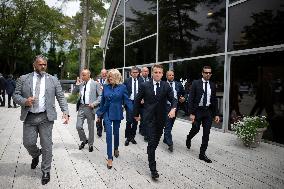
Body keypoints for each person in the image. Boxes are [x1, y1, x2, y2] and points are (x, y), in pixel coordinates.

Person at [13, 55, 69, 185]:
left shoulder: (53, 80)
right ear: (34, 65)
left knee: (47, 145)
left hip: (46, 117)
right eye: (40, 64)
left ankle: (46, 171)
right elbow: (15, 95)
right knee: (28, 142)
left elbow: (61, 96)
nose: (43, 66)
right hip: (29, 116)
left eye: (44, 64)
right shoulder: (24, 78)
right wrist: (25, 101)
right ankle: (36, 155)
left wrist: (65, 112)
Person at [134, 64, 177, 179]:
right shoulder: (144, 85)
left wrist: (173, 108)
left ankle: (150, 149)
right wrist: (136, 114)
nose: (158, 74)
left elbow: (173, 99)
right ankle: (153, 170)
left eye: (160, 73)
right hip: (148, 119)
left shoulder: (165, 85)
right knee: (152, 142)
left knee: (156, 141)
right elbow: (137, 100)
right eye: (156, 72)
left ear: (162, 74)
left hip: (161, 118)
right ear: (152, 73)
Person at [96, 69, 133, 169]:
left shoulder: (122, 87)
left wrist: (135, 113)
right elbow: (102, 101)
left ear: (117, 77)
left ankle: (116, 148)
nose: (109, 78)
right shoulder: (105, 87)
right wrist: (99, 115)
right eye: (109, 76)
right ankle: (109, 158)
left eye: (111, 76)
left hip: (117, 112)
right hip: (107, 112)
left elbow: (127, 101)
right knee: (108, 134)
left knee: (116, 133)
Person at [186, 66, 220, 163]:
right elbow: (191, 99)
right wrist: (191, 113)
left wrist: (216, 114)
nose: (208, 74)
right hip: (197, 111)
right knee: (195, 129)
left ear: (211, 74)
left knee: (206, 133)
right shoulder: (196, 83)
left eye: (209, 73)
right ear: (202, 73)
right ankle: (189, 138)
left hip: (208, 111)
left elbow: (214, 100)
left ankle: (202, 154)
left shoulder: (213, 85)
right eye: (206, 72)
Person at [72, 69, 102, 152]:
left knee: (91, 127)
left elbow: (100, 96)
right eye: (82, 75)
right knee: (78, 126)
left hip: (90, 108)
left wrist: (94, 103)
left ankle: (90, 144)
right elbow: (73, 93)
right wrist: (77, 85)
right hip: (81, 107)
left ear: (89, 75)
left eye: (84, 75)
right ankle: (84, 140)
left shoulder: (95, 84)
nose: (82, 76)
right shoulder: (81, 84)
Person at [163, 70, 185, 152]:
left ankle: (166, 138)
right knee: (168, 124)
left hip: (175, 107)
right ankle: (170, 143)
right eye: (169, 75)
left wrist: (183, 98)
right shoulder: (163, 84)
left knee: (171, 124)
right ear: (166, 76)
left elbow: (184, 93)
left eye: (172, 75)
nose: (171, 76)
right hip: (166, 107)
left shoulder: (178, 84)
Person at [123, 66, 142, 146]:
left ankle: (132, 137)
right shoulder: (127, 81)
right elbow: (124, 92)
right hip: (129, 102)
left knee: (135, 121)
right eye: (133, 72)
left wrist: (143, 98)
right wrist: (125, 102)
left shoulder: (141, 81)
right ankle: (127, 138)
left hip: (137, 102)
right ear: (131, 73)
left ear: (138, 73)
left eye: (136, 72)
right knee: (129, 120)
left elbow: (144, 91)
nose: (135, 74)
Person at [138, 67, 151, 141]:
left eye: (147, 71)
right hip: (141, 103)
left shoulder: (151, 80)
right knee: (143, 118)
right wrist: (140, 98)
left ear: (148, 72)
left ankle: (146, 135)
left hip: (149, 103)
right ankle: (142, 129)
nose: (145, 72)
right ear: (141, 72)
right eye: (144, 71)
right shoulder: (138, 80)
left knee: (147, 119)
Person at [96, 68, 108, 136]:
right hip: (99, 101)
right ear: (101, 74)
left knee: (106, 115)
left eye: (105, 73)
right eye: (102, 73)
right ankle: (99, 130)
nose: (104, 74)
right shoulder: (97, 81)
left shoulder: (109, 81)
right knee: (99, 116)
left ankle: (106, 126)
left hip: (106, 101)